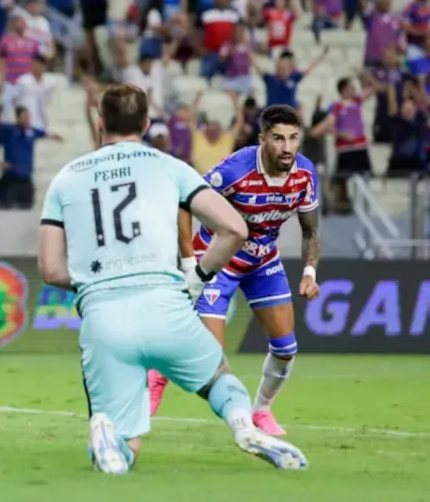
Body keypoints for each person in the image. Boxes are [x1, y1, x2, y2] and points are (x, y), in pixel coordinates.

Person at [38, 83, 307, 475]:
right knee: (219, 380)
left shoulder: (66, 178)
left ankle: (109, 441)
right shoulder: (169, 166)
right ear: (146, 124)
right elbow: (234, 229)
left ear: (100, 124)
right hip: (167, 305)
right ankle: (243, 426)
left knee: (128, 442)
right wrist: (196, 276)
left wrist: (93, 284)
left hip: (104, 316)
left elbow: (49, 269)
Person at [151, 105, 323, 437]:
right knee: (211, 358)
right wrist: (190, 262)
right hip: (218, 262)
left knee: (286, 348)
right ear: (262, 140)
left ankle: (261, 411)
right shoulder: (236, 170)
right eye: (278, 139)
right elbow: (184, 201)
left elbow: (311, 230)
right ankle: (160, 371)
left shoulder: (305, 173)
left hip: (262, 261)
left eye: (293, 139)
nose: (287, 148)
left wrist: (309, 272)